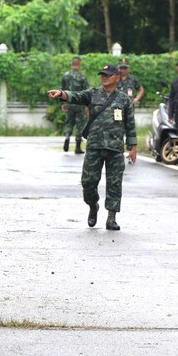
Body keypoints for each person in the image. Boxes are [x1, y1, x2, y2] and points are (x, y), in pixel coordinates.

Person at [47, 64, 137, 231]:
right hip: (95, 146)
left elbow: (130, 124)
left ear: (116, 77)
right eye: (102, 75)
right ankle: (92, 205)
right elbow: (76, 96)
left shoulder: (124, 99)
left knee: (114, 183)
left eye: (108, 75)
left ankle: (111, 217)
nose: (104, 77)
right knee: (88, 182)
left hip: (115, 148)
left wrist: (133, 147)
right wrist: (62, 94)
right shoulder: (93, 94)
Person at [60, 56, 91, 154]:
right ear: (79, 64)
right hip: (79, 104)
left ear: (72, 64)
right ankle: (77, 146)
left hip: (69, 103)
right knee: (79, 125)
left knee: (69, 122)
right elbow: (86, 92)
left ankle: (67, 136)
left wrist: (63, 103)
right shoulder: (82, 77)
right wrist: (87, 105)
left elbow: (62, 90)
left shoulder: (65, 75)